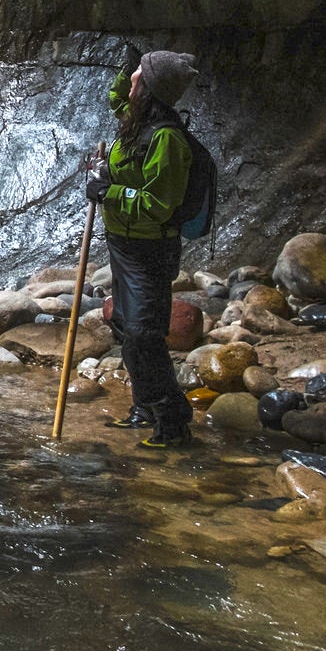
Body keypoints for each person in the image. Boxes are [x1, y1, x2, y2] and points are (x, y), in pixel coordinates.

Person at [86, 47, 199, 448]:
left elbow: (158, 204)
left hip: (150, 250)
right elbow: (116, 97)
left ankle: (173, 422)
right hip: (123, 243)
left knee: (142, 334)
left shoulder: (166, 138)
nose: (131, 77)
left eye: (138, 73)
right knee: (125, 325)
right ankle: (144, 407)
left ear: (149, 87)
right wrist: (125, 65)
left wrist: (109, 191)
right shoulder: (136, 120)